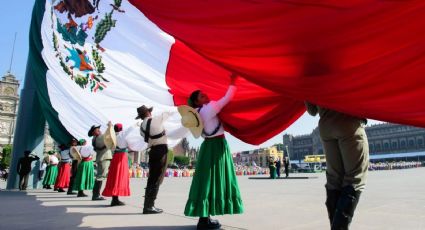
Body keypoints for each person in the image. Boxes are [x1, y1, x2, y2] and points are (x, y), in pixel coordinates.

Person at [182, 73, 243, 230]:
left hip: (208, 146)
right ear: (197, 101)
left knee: (207, 180)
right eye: (202, 96)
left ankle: (204, 217)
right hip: (217, 146)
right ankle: (204, 221)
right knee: (211, 180)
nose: (206, 96)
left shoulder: (197, 114)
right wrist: (233, 82)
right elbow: (227, 98)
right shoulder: (208, 109)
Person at [305, 102, 369, 229]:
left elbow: (312, 111)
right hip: (348, 121)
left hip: (325, 127)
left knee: (334, 180)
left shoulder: (309, 80)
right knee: (355, 177)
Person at [136, 105, 170, 214]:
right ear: (149, 112)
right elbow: (169, 113)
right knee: (157, 179)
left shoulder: (141, 126)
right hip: (161, 150)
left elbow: (143, 136)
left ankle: (148, 205)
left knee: (152, 178)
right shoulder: (157, 119)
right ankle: (149, 206)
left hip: (152, 151)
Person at [102, 123, 130, 206]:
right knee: (120, 177)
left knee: (114, 177)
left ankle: (115, 198)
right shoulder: (122, 136)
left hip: (115, 156)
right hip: (122, 157)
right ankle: (115, 199)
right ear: (121, 129)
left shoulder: (112, 136)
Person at [89, 122, 113, 201]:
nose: (99, 130)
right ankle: (96, 195)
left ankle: (96, 194)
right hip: (104, 158)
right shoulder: (99, 138)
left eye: (98, 129)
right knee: (100, 176)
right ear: (93, 133)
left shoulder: (96, 138)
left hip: (102, 158)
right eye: (96, 130)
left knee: (100, 176)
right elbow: (108, 137)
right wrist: (110, 127)